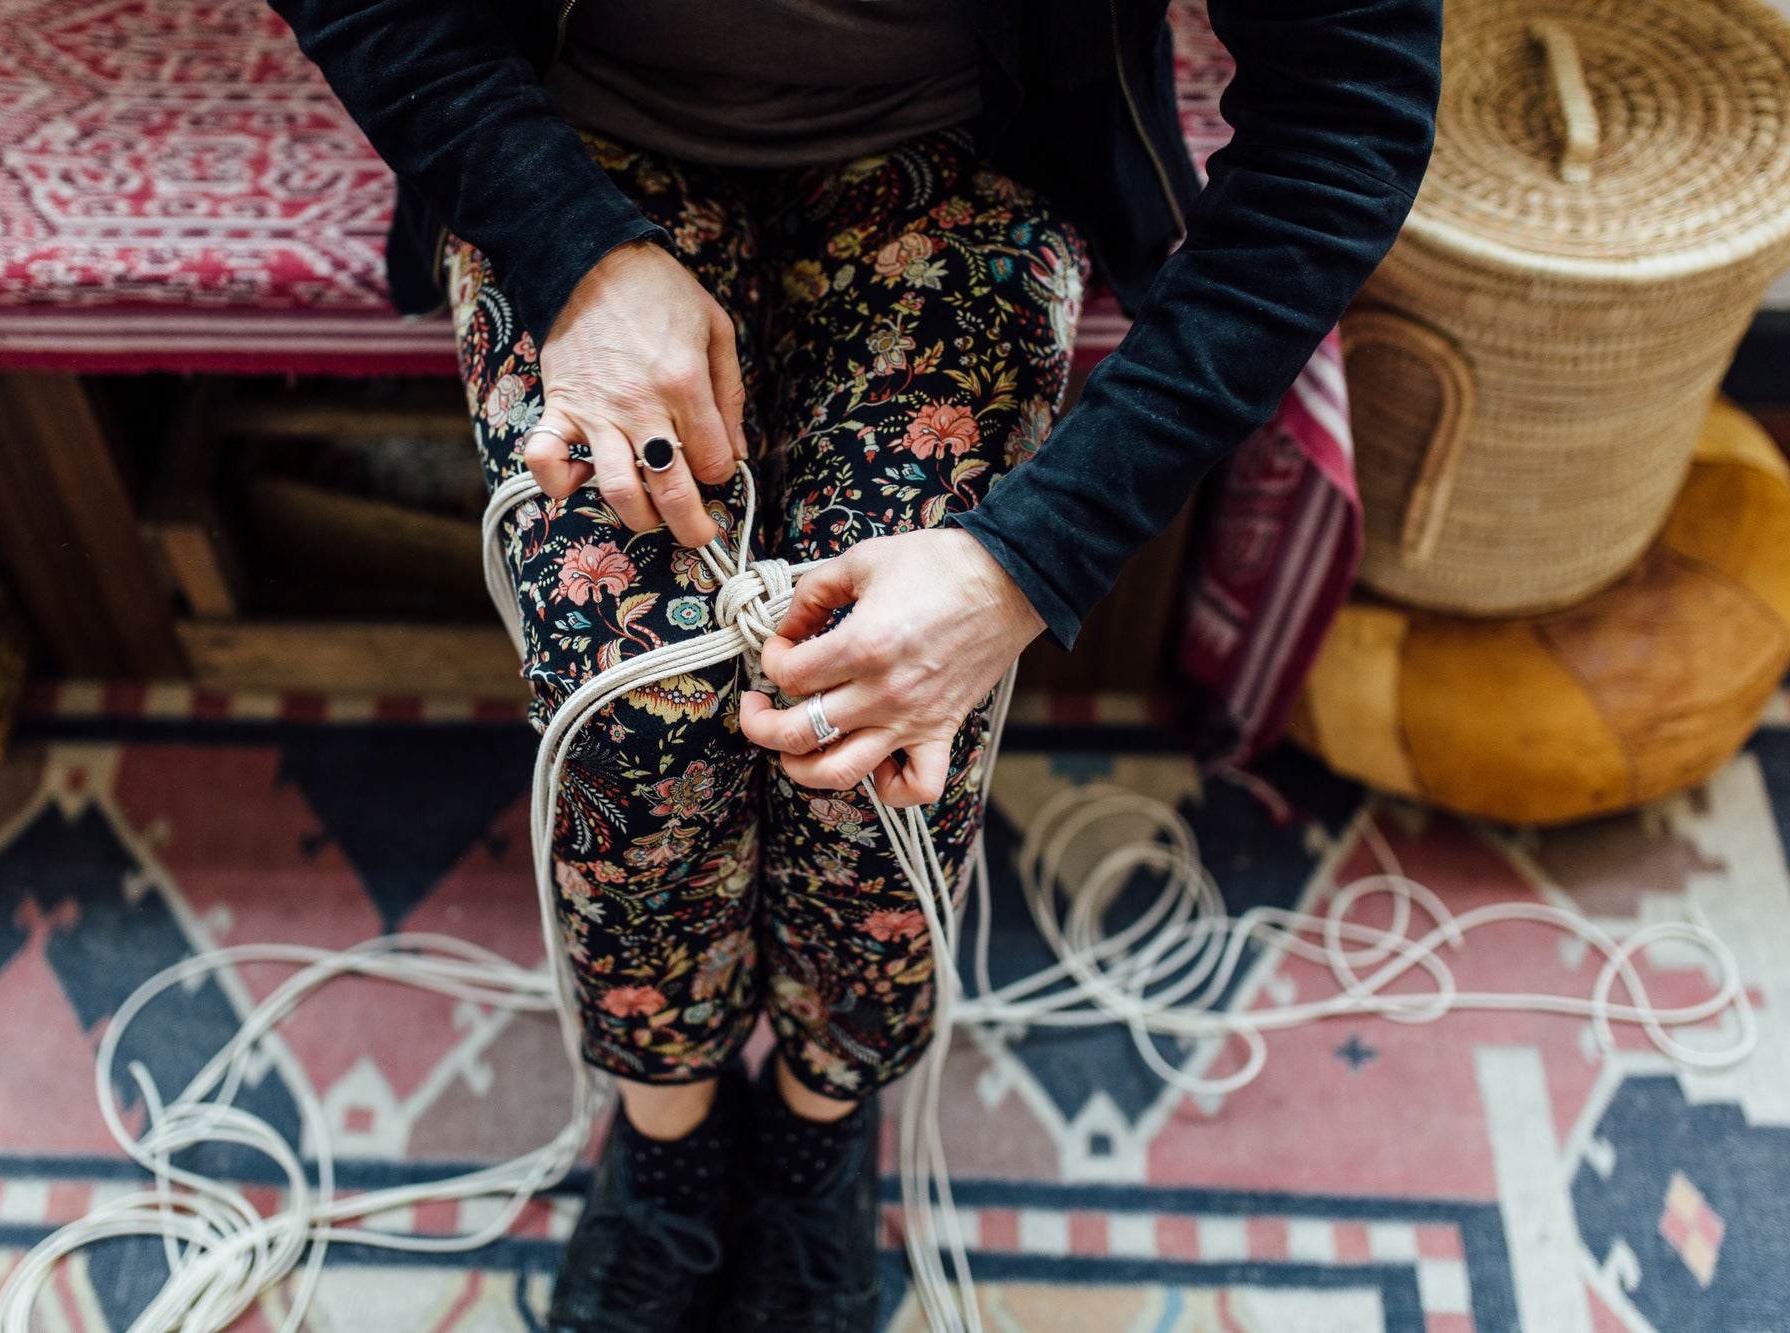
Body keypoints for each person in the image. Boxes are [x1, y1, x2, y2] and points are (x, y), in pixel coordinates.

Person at [266, 1, 1441, 1328]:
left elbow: (1349, 122)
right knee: (630, 711)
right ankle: (668, 1135)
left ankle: (826, 1116)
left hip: (974, 143)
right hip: (572, 132)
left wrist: (1020, 566)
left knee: (881, 726)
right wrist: (574, 252)